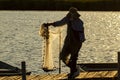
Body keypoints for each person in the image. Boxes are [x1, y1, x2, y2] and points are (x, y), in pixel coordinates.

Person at [44, 7, 85, 79]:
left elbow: (80, 33)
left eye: (71, 14)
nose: (70, 15)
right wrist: (50, 24)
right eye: (70, 13)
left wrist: (79, 42)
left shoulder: (79, 22)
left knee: (73, 57)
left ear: (75, 14)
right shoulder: (68, 19)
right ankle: (75, 68)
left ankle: (73, 73)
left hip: (76, 43)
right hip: (68, 42)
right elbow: (60, 22)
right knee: (62, 57)